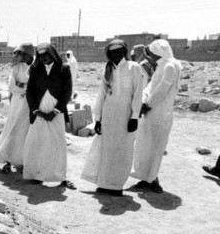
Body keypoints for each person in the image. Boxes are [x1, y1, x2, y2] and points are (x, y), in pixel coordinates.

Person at [81, 40, 144, 196]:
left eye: (119, 52)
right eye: (112, 53)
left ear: (124, 52)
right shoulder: (107, 69)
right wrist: (97, 119)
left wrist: (134, 117)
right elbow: (102, 94)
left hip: (126, 116)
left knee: (123, 149)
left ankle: (116, 186)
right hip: (109, 115)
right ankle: (104, 183)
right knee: (107, 149)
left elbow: (138, 94)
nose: (116, 55)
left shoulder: (134, 67)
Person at [23, 43, 75, 189]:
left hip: (56, 113)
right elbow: (30, 91)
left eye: (46, 55)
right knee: (37, 142)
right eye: (40, 56)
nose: (43, 58)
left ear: (52, 54)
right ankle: (37, 175)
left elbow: (67, 92)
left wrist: (55, 111)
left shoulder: (64, 68)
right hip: (39, 112)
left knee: (58, 143)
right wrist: (35, 110)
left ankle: (61, 177)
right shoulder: (35, 69)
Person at [131, 39, 181, 193]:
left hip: (160, 112)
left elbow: (161, 90)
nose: (149, 56)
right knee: (145, 145)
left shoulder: (170, 66)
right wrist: (143, 100)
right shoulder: (162, 66)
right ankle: (145, 177)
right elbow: (151, 86)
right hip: (151, 110)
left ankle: (153, 179)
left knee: (156, 147)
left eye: (151, 53)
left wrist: (148, 104)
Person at [0, 43, 34, 174]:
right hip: (17, 103)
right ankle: (7, 161)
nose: (19, 57)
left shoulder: (35, 68)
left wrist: (22, 85)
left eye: (21, 54)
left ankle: (21, 161)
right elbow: (12, 87)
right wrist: (26, 87)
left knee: (25, 132)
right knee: (12, 129)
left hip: (29, 104)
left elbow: (36, 86)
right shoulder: (16, 68)